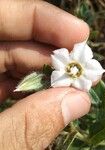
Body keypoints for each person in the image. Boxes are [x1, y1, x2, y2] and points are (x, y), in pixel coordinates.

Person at [0, 0, 91, 149]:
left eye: (76, 69)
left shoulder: (79, 60)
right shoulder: (61, 63)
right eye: (73, 68)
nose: (74, 70)